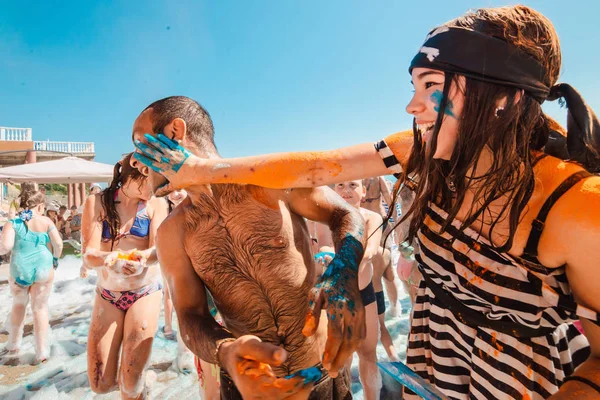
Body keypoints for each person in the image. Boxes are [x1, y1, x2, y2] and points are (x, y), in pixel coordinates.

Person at [135, 6, 600, 399]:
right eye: (414, 86)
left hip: (517, 381)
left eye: (432, 86)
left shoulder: (575, 207)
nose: (412, 106)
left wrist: (343, 271)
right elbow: (322, 164)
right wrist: (228, 350)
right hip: (430, 369)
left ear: (502, 94)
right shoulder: (417, 150)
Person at [131, 96, 367, 399]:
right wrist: (227, 351)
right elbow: (190, 316)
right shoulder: (172, 232)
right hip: (250, 387)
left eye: (141, 144)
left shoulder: (268, 181)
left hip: (324, 372)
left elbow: (344, 214)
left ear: (176, 131)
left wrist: (344, 270)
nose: (136, 161)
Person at [81, 153, 168, 399]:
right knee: (100, 384)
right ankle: (144, 382)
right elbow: (88, 255)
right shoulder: (97, 202)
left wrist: (141, 260)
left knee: (130, 385)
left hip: (144, 292)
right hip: (108, 294)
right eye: (154, 181)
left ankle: (140, 384)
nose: (157, 188)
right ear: (137, 175)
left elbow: (157, 250)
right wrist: (110, 260)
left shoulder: (157, 205)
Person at [0, 183, 63, 363]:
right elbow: (58, 244)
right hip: (43, 268)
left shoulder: (13, 223)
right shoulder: (47, 221)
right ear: (41, 206)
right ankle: (42, 352)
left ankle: (13, 344)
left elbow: (5, 247)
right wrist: (55, 259)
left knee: (19, 305)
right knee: (40, 308)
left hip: (19, 268)